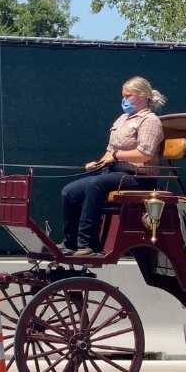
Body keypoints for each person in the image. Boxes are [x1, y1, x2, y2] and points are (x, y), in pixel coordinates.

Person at [60, 76, 166, 257]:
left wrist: (116, 156)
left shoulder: (150, 121)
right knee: (70, 191)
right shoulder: (122, 119)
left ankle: (88, 245)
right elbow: (111, 150)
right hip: (114, 173)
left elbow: (144, 154)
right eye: (123, 96)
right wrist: (98, 163)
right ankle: (69, 243)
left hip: (138, 177)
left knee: (96, 185)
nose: (124, 100)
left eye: (128, 95)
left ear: (143, 96)